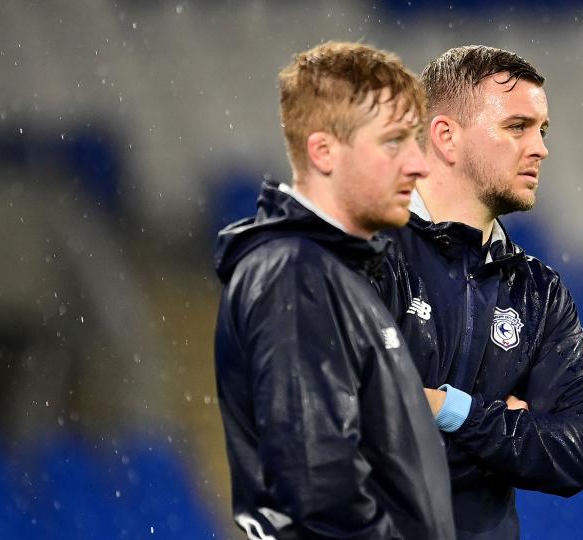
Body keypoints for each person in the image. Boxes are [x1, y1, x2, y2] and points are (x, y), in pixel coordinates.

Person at [213, 42, 455, 540]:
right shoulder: (295, 277)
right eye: (394, 142)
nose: (420, 164)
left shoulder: (339, 273)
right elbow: (318, 492)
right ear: (323, 151)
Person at [378, 45, 583, 539]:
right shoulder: (364, 253)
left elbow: (579, 449)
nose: (540, 147)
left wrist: (449, 411)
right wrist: (505, 438)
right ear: (446, 137)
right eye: (517, 127)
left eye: (541, 130)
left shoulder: (539, 293)